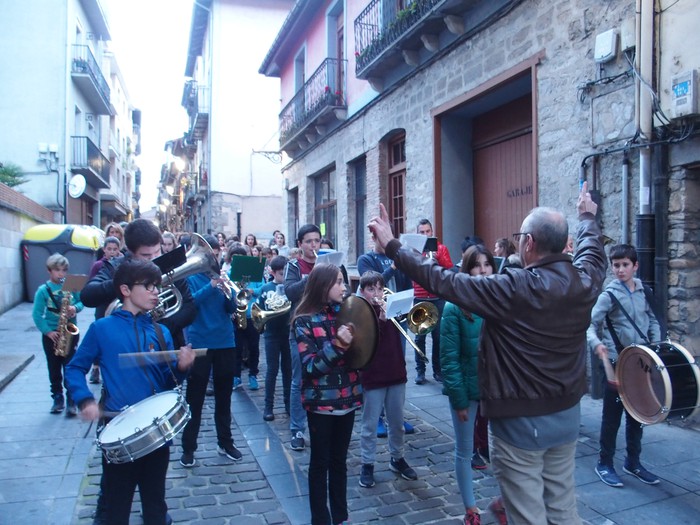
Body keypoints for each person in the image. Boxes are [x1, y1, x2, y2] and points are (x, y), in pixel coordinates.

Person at [368, 182, 605, 525]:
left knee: (527, 514)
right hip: (567, 417)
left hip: (521, 425)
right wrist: (586, 216)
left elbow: (442, 280)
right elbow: (592, 253)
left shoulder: (516, 287)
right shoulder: (583, 281)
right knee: (563, 508)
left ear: (528, 243)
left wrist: (392, 245)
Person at [65, 259, 195, 525]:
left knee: (156, 506)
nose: (155, 292)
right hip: (118, 431)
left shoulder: (160, 331)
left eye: (156, 286)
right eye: (148, 286)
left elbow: (168, 385)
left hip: (156, 437)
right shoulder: (102, 329)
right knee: (116, 508)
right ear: (125, 290)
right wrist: (85, 399)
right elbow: (74, 368)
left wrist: (182, 368)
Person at [292, 264, 362, 525]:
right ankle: (320, 519)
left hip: (348, 399)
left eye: (344, 282)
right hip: (321, 404)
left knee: (340, 462)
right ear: (323, 286)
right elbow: (310, 367)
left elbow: (361, 357)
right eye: (339, 282)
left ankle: (341, 516)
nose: (344, 287)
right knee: (320, 463)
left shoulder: (347, 314)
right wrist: (338, 345)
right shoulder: (303, 321)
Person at [587, 243, 661, 488]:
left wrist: (655, 345)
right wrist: (597, 344)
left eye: (625, 265)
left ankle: (633, 462)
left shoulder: (644, 292)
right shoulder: (608, 295)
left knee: (637, 416)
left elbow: (652, 319)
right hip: (616, 364)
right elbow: (589, 325)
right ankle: (604, 463)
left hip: (639, 365)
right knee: (612, 417)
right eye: (616, 265)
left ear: (635, 266)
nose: (620, 270)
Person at [440, 245, 496, 525]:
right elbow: (449, 360)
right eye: (477, 265)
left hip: (496, 390)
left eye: (487, 264)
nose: (483, 270)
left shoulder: (499, 299)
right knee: (464, 450)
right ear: (467, 268)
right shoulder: (454, 308)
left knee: (511, 448)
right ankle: (471, 509)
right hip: (468, 389)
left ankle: (505, 503)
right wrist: (459, 399)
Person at [81, 219, 196, 348]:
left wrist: (156, 329)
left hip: (165, 344)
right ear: (130, 251)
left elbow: (189, 308)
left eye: (157, 251)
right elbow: (87, 296)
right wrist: (128, 280)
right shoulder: (115, 266)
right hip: (123, 346)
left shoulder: (170, 264)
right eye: (146, 255)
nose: (153, 259)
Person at [179, 234, 242, 468]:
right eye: (210, 252)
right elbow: (190, 304)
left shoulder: (222, 276)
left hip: (225, 340)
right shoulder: (188, 277)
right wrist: (211, 286)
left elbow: (231, 308)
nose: (213, 256)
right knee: (194, 398)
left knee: (224, 397)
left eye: (215, 252)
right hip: (201, 342)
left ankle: (225, 442)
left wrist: (230, 292)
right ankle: (188, 448)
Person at [357, 271, 417, 489]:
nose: (377, 293)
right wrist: (382, 320)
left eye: (380, 288)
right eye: (371, 289)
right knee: (370, 424)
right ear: (363, 292)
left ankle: (397, 458)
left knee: (397, 422)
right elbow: (367, 342)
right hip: (373, 374)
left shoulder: (391, 307)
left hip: (395, 371)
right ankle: (367, 464)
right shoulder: (360, 312)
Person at [357, 231, 415, 437]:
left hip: (397, 317)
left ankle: (397, 415)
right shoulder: (366, 259)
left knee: (396, 365)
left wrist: (410, 308)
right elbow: (371, 284)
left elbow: (407, 286)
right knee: (375, 365)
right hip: (374, 319)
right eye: (382, 238)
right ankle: (377, 416)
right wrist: (392, 267)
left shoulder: (396, 258)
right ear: (374, 238)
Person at [284, 223, 321, 451]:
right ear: (300, 245)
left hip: (323, 328)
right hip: (300, 328)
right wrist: (311, 277)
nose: (313, 245)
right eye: (308, 241)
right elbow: (290, 292)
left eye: (316, 240)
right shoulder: (293, 266)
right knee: (299, 380)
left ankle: (319, 422)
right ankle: (297, 429)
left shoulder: (328, 262)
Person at [32, 253, 84, 415]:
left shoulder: (71, 284)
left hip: (69, 332)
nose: (61, 274)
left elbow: (82, 301)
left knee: (69, 367)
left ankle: (71, 400)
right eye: (57, 270)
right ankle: (57, 397)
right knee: (54, 368)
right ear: (49, 271)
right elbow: (37, 314)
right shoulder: (43, 290)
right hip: (52, 335)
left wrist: (75, 308)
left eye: (64, 270)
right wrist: (48, 332)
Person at [413, 218, 452, 384]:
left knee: (438, 337)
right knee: (420, 337)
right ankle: (420, 372)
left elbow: (450, 270)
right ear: (418, 234)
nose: (425, 235)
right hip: (420, 297)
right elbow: (411, 271)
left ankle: (438, 371)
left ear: (432, 232)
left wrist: (438, 260)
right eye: (422, 232)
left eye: (428, 231)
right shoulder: (414, 251)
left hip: (437, 297)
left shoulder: (441, 249)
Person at [257, 255, 292, 421]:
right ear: (273, 272)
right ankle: (268, 407)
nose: (283, 277)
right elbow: (260, 309)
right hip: (271, 334)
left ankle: (288, 404)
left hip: (288, 332)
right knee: (272, 370)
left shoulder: (290, 287)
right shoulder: (266, 289)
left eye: (286, 273)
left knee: (288, 370)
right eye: (280, 273)